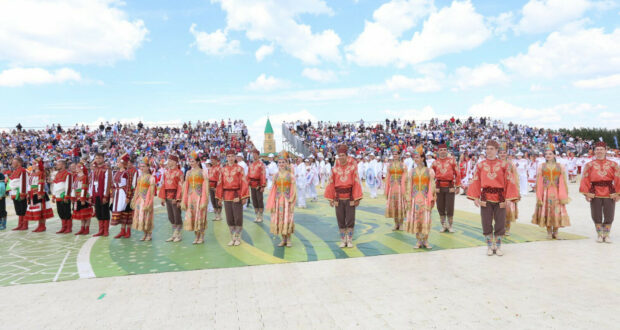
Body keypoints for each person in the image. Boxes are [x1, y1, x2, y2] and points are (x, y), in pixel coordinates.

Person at [467, 140, 520, 256]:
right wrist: (475, 196)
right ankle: (490, 246)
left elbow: (509, 181)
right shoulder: (480, 165)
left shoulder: (503, 165)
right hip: (485, 197)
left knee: (500, 223)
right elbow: (476, 180)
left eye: (491, 149)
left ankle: (499, 246)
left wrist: (509, 198)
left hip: (500, 197)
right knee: (486, 222)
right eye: (487, 149)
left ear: (496, 150)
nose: (489, 151)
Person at [579, 141, 620, 243]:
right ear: (594, 151)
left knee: (609, 214)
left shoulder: (614, 164)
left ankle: (606, 235)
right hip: (595, 191)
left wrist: (618, 193)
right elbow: (585, 179)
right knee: (596, 214)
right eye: (597, 149)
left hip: (610, 191)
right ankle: (599, 235)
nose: (599, 151)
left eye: (602, 149)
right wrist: (586, 193)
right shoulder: (589, 165)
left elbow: (618, 178)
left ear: (606, 151)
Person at [324, 144, 363, 248]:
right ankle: (343, 240)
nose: (341, 157)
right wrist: (331, 199)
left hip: (350, 197)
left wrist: (357, 198)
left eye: (343, 155)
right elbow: (331, 184)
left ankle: (349, 240)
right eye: (339, 155)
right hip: (338, 198)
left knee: (350, 220)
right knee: (340, 220)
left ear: (346, 156)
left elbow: (356, 183)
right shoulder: (334, 170)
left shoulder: (352, 168)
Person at [532, 143, 571, 239]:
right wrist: (539, 195)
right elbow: (539, 181)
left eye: (550, 154)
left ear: (554, 155)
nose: (548, 155)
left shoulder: (560, 166)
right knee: (547, 210)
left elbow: (563, 181)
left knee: (556, 211)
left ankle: (556, 232)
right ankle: (549, 232)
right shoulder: (542, 166)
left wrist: (563, 195)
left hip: (557, 192)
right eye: (546, 154)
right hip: (546, 192)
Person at [404, 145, 436, 249]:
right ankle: (418, 240)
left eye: (417, 157)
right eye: (415, 157)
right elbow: (409, 186)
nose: (415, 159)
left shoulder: (429, 171)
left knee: (426, 219)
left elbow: (432, 186)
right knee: (417, 219)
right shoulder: (411, 172)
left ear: (422, 158)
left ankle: (425, 240)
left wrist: (431, 198)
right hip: (415, 199)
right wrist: (408, 198)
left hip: (425, 199)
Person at [216, 150, 249, 246]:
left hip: (236, 194)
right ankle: (233, 237)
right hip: (226, 196)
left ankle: (238, 237)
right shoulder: (223, 169)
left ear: (235, 157)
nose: (230, 158)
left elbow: (244, 183)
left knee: (238, 217)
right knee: (229, 217)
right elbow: (220, 183)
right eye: (228, 156)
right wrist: (219, 197)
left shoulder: (240, 169)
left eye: (232, 156)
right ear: (226, 158)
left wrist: (243, 196)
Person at [266, 151, 297, 247]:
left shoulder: (290, 175)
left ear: (286, 163)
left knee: (287, 218)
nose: (281, 164)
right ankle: (283, 239)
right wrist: (272, 201)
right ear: (277, 163)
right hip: (278, 200)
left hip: (287, 201)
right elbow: (273, 189)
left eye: (283, 162)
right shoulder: (275, 175)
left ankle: (288, 239)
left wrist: (292, 200)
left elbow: (293, 189)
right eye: (279, 162)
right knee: (280, 219)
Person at [431, 143, 461, 233]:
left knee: (450, 207)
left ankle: (450, 225)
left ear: (446, 151)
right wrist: (433, 187)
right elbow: (431, 176)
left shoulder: (452, 161)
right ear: (438, 152)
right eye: (441, 150)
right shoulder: (435, 163)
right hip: (438, 187)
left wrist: (458, 186)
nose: (443, 151)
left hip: (450, 186)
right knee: (440, 207)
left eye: (444, 150)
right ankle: (444, 225)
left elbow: (457, 173)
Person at [181, 152, 209, 244]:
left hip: (199, 197)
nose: (191, 163)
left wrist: (204, 199)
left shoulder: (203, 172)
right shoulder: (188, 173)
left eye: (193, 161)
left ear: (197, 162)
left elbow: (205, 187)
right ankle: (196, 236)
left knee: (200, 216)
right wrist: (184, 200)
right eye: (190, 162)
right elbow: (186, 187)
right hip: (190, 197)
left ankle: (201, 236)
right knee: (193, 216)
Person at [158, 154, 184, 242]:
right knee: (170, 217)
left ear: (174, 162)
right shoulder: (166, 172)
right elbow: (163, 185)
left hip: (174, 197)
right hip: (167, 197)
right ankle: (174, 234)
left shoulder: (179, 173)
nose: (168, 163)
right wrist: (162, 197)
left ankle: (178, 235)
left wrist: (178, 199)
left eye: (169, 161)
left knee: (177, 217)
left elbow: (180, 186)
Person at [131, 157, 157, 242]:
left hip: (147, 199)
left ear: (148, 167)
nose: (142, 168)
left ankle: (149, 233)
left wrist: (148, 201)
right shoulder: (139, 177)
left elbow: (151, 191)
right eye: (141, 166)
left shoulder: (151, 178)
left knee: (147, 216)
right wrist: (135, 199)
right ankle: (144, 233)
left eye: (144, 166)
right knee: (140, 216)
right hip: (140, 199)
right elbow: (137, 189)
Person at [498, 142, 521, 236]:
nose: (502, 154)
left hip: (509, 190)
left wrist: (516, 191)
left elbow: (515, 178)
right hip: (498, 190)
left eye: (504, 152)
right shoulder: (495, 163)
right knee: (498, 210)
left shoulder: (511, 164)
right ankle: (499, 228)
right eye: (501, 152)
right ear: (498, 153)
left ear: (506, 153)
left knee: (508, 209)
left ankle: (507, 229)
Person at [25, 159, 54, 232]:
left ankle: (42, 226)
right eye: (32, 164)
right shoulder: (32, 173)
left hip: (38, 193)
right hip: (32, 193)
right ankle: (39, 225)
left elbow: (41, 184)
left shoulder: (41, 173)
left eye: (34, 164)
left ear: (37, 165)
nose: (32, 166)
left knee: (41, 209)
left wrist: (40, 193)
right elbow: (29, 184)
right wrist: (28, 193)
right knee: (37, 209)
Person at [89, 152, 112, 237]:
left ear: (103, 159)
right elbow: (91, 182)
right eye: (96, 158)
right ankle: (100, 230)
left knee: (105, 211)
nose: (98, 160)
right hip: (95, 194)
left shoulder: (107, 169)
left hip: (103, 194)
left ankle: (106, 230)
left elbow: (108, 183)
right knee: (98, 212)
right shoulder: (94, 169)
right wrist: (91, 195)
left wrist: (106, 195)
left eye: (99, 158)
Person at [110, 154, 133, 239]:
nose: (117, 163)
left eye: (119, 161)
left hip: (124, 194)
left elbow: (129, 185)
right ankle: (122, 230)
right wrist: (112, 196)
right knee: (121, 212)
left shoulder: (127, 173)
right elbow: (113, 185)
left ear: (123, 163)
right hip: (117, 194)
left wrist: (128, 196)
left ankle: (128, 231)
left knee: (126, 212)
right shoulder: (116, 173)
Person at [385, 146, 407, 231]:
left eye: (396, 154)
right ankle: (396, 224)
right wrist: (387, 188)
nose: (395, 155)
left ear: (399, 155)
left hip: (400, 187)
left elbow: (405, 177)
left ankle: (401, 224)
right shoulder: (389, 165)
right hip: (392, 188)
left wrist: (404, 188)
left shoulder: (403, 165)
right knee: (394, 206)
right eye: (393, 154)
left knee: (400, 206)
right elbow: (387, 177)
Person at [51, 159, 73, 234]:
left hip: (64, 195)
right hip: (58, 196)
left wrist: (67, 196)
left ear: (63, 165)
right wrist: (54, 195)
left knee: (66, 211)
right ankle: (63, 227)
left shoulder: (68, 174)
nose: (56, 165)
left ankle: (68, 227)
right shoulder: (56, 174)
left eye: (58, 164)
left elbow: (69, 186)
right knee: (60, 212)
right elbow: (55, 185)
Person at [72, 162, 94, 235]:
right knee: (81, 213)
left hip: (83, 196)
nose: (76, 169)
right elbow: (74, 187)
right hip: (77, 196)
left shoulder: (84, 177)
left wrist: (82, 198)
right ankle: (82, 228)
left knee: (86, 213)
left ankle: (87, 228)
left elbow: (84, 188)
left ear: (81, 168)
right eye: (76, 168)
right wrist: (74, 196)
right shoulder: (76, 177)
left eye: (77, 167)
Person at [9, 157, 28, 231]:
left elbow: (23, 182)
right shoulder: (14, 171)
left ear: (19, 163)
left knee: (23, 209)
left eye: (14, 162)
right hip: (14, 193)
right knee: (18, 209)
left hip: (19, 193)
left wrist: (22, 193)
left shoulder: (23, 171)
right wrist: (11, 193)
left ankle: (24, 224)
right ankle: (20, 224)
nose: (12, 164)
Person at [248, 149, 267, 222]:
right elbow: (249, 175)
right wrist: (248, 182)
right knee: (254, 200)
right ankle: (257, 215)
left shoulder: (261, 164)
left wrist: (262, 185)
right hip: (252, 185)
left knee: (259, 200)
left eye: (255, 154)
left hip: (258, 185)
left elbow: (263, 175)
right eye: (253, 154)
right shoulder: (251, 165)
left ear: (258, 155)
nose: (254, 156)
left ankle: (261, 216)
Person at [208, 155, 223, 221]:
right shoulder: (210, 168)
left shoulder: (219, 168)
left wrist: (217, 187)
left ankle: (219, 215)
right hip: (210, 186)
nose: (212, 161)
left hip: (217, 186)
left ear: (216, 160)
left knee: (218, 201)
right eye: (211, 160)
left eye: (213, 160)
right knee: (213, 201)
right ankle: (216, 215)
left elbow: (220, 179)